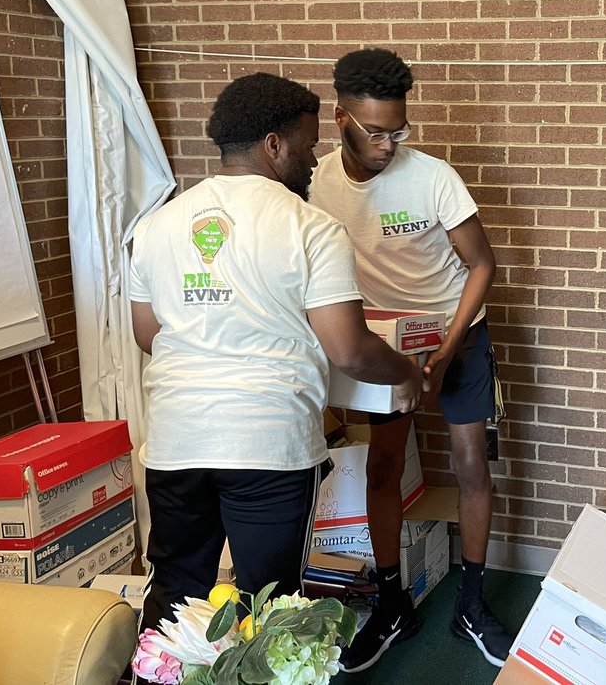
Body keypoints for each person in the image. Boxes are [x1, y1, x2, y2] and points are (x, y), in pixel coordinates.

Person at [129, 72, 426, 634]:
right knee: (268, 604)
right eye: (310, 145)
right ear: (274, 144)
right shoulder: (312, 228)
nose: (315, 161)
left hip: (176, 440)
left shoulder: (156, 226)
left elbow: (149, 335)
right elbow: (350, 350)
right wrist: (406, 373)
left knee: (175, 593)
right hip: (267, 445)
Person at [308, 48, 512, 671]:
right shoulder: (317, 182)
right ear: (339, 115)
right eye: (375, 131)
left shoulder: (433, 177)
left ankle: (472, 604)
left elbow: (483, 265)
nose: (389, 143)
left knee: (471, 460)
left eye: (399, 129)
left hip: (455, 332)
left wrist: (449, 350)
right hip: (382, 342)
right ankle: (393, 600)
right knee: (382, 467)